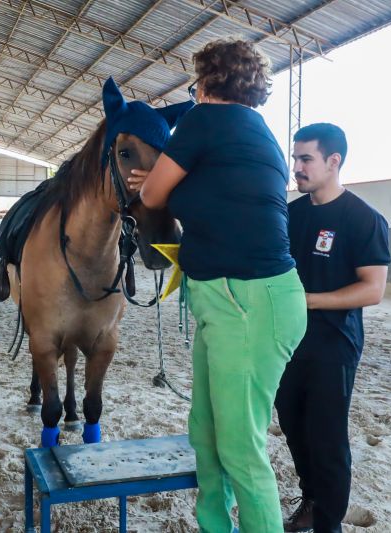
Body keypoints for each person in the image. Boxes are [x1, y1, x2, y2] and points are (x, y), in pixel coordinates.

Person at [131, 38, 307, 533]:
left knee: (239, 448)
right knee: (205, 434)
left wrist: (155, 179)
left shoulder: (203, 121)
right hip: (228, 296)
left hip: (247, 299)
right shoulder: (255, 131)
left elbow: (150, 194)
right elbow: (211, 189)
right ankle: (215, 526)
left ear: (206, 83)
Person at [276, 123, 390, 533]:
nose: (297, 167)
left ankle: (329, 524)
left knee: (327, 439)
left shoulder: (362, 219)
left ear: (333, 161)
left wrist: (309, 300)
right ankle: (311, 498)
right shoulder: (290, 214)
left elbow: (373, 289)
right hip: (287, 342)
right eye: (295, 158)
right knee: (291, 422)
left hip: (333, 346)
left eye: (305, 159)